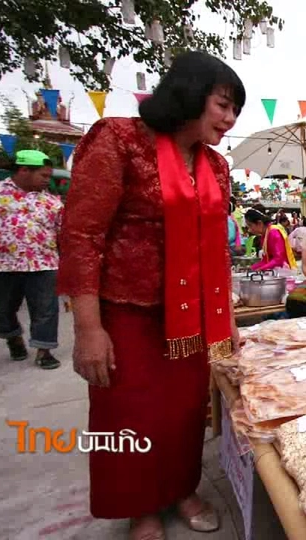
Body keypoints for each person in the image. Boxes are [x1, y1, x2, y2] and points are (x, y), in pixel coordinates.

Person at [57, 51, 244, 538]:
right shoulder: (119, 139)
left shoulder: (216, 166)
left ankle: (181, 489)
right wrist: (88, 328)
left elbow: (214, 250)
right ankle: (142, 507)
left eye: (235, 111)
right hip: (126, 312)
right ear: (188, 92)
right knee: (131, 414)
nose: (229, 118)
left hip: (192, 318)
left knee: (184, 413)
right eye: (223, 105)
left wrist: (228, 320)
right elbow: (82, 235)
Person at [0, 150, 63, 369]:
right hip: (1, 264)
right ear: (23, 170)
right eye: (43, 175)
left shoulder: (53, 202)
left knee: (46, 309)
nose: (47, 180)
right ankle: (12, 337)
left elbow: (63, 233)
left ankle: (44, 350)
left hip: (44, 263)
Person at [246, 204, 296, 271]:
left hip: (283, 272)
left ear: (259, 223)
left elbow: (279, 259)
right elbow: (265, 260)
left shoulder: (273, 232)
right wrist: (251, 268)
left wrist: (260, 269)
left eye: (250, 225)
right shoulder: (265, 234)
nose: (249, 229)